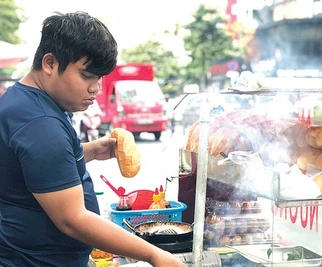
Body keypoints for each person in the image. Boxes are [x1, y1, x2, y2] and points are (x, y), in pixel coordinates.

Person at [0, 11, 186, 267]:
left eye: (99, 78)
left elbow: (33, 167)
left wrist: (87, 151)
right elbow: (72, 219)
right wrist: (154, 254)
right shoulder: (40, 124)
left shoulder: (24, 101)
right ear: (50, 63)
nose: (95, 89)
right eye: (87, 76)